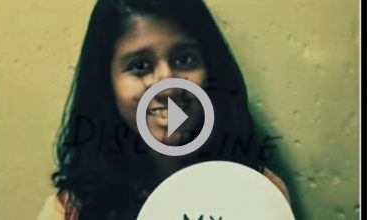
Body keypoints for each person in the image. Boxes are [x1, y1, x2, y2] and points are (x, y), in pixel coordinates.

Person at [38, 0, 290, 219]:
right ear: (107, 84)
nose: (168, 86)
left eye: (184, 60)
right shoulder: (73, 211)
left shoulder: (259, 193)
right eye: (140, 65)